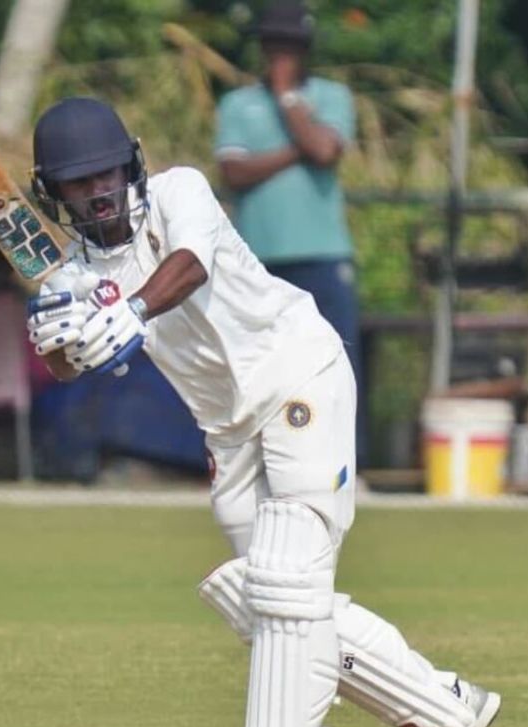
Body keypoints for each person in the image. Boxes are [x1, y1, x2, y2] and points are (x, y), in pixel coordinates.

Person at [25, 96, 500, 727]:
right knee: (272, 600)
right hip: (228, 428)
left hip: (298, 375)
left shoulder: (180, 192)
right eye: (79, 183)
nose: (98, 191)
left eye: (107, 174)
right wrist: (62, 339)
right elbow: (65, 364)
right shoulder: (73, 274)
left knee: (284, 582)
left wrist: (129, 312)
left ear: (131, 165)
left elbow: (188, 266)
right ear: (54, 193)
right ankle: (445, 705)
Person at [214, 1, 365, 460]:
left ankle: (345, 461)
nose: (282, 54)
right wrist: (296, 149)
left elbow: (325, 151)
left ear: (306, 49)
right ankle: (259, 461)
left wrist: (287, 98)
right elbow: (233, 172)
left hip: (323, 254)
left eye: (292, 46)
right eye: (275, 44)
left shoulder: (333, 96)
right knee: (259, 368)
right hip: (257, 259)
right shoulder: (237, 104)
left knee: (336, 361)